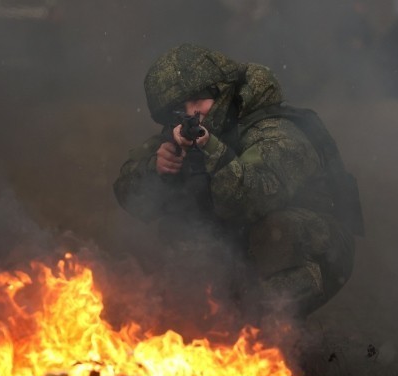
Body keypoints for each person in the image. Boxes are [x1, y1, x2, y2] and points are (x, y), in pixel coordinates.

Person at [113, 44, 363, 324]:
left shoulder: (276, 131)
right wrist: (157, 169)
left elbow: (251, 199)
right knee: (176, 231)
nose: (192, 113)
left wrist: (212, 151)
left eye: (198, 99)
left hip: (313, 247)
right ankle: (214, 320)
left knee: (279, 230)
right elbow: (128, 194)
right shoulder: (181, 135)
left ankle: (269, 332)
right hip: (236, 246)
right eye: (179, 108)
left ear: (222, 90)